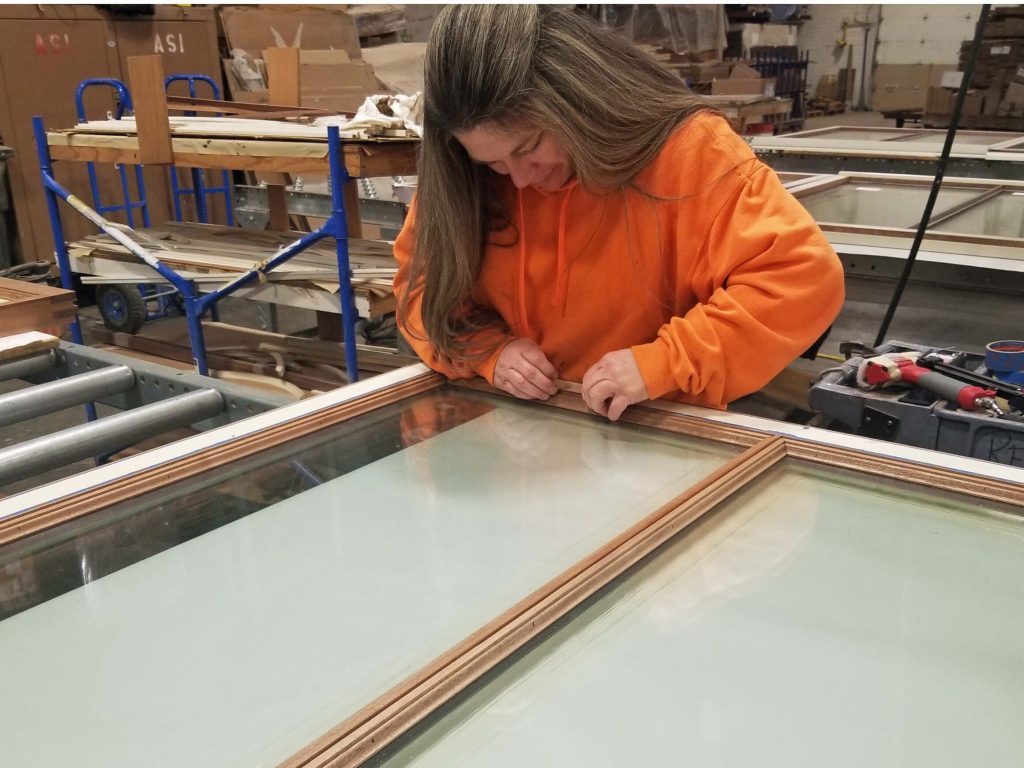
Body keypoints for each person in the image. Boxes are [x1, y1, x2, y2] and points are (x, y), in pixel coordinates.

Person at [393, 5, 844, 421]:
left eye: (529, 147)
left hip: (655, 430)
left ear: (577, 103)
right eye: (491, 164)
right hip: (513, 434)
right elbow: (421, 295)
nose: (519, 180)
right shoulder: (461, 179)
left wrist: (665, 363)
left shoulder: (689, 152)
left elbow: (801, 280)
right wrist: (488, 354)